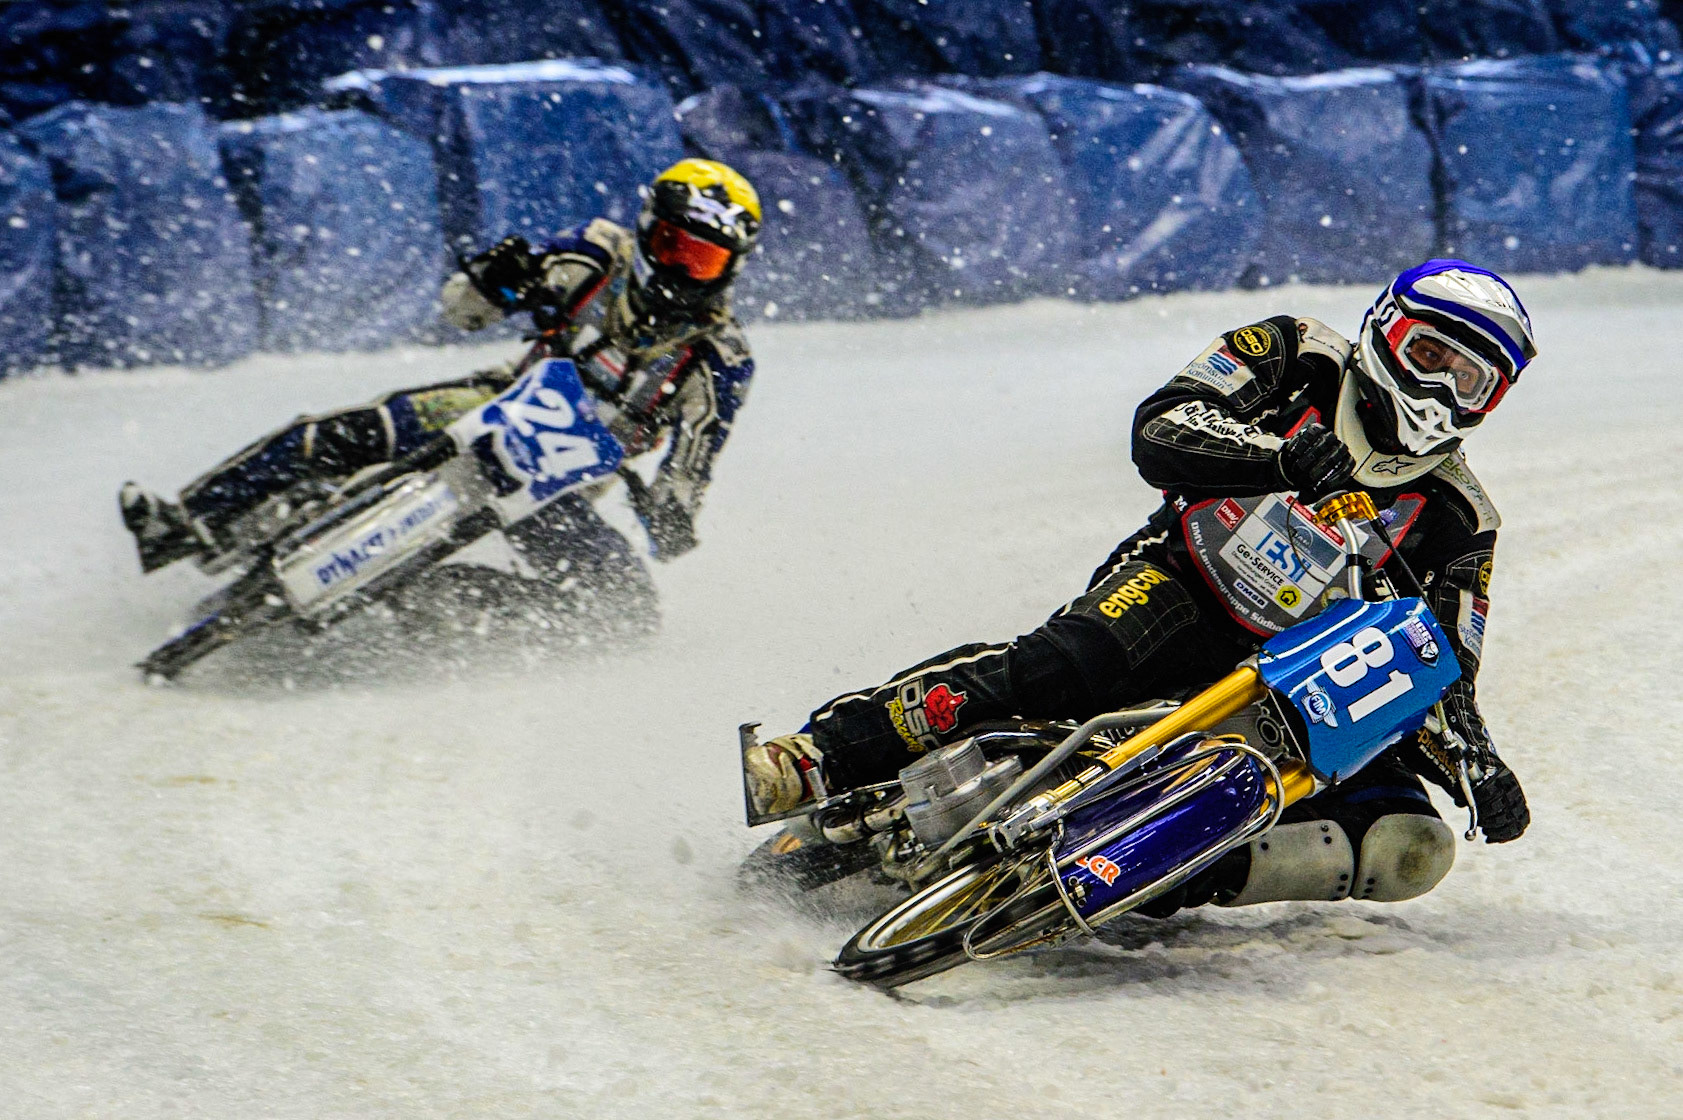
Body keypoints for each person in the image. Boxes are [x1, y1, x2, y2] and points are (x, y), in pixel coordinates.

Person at [746, 259, 1532, 914]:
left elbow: (1441, 668)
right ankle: (817, 757)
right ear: (1383, 330)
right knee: (1060, 665)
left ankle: (1166, 871)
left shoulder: (1464, 517)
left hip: (1299, 683)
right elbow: (1160, 426)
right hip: (1182, 578)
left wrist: (1481, 767)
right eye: (1429, 356)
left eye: (1469, 381)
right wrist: (1278, 460)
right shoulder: (1293, 353)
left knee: (1407, 846)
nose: (1437, 394)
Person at [120, 159, 761, 624]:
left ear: (730, 269)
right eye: (675, 247)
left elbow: (692, 467)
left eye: (702, 261)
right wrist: (497, 278)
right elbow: (464, 310)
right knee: (344, 431)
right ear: (650, 230)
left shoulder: (720, 359)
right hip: (490, 405)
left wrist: (671, 515)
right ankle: (190, 520)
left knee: (625, 615)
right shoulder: (598, 255)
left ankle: (440, 611)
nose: (681, 270)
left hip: (558, 484)